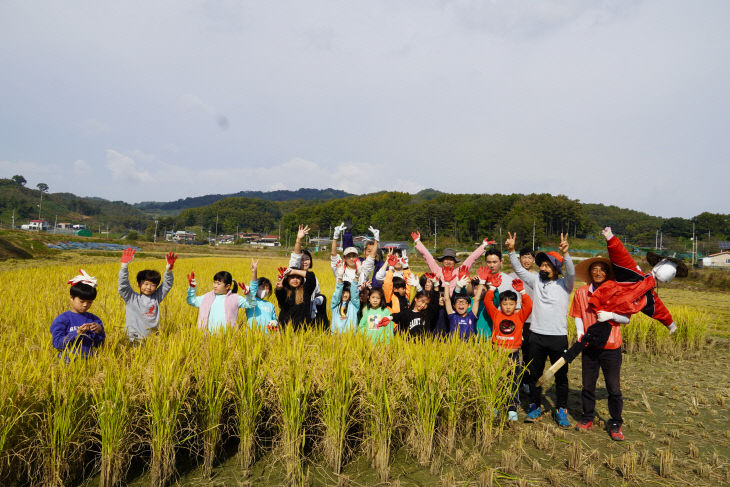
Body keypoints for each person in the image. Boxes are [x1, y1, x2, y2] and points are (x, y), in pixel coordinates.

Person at [506, 231, 575, 428]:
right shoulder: (536, 281)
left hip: (558, 338)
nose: (543, 267)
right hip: (536, 336)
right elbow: (519, 270)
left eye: (547, 265)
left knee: (561, 376)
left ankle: (562, 409)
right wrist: (511, 251)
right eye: (542, 264)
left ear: (556, 268)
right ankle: (535, 406)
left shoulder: (565, 285)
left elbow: (571, 272)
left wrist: (567, 254)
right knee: (534, 374)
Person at [571, 254, 629, 441]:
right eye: (594, 269)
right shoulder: (581, 292)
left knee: (613, 388)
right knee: (588, 385)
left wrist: (611, 314)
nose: (598, 272)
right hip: (589, 345)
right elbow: (578, 314)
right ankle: (587, 417)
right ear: (589, 273)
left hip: (611, 347)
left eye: (602, 269)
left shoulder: (617, 292)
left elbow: (626, 319)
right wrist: (580, 332)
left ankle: (615, 422)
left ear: (608, 273)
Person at [481, 276, 533, 421]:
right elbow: (487, 301)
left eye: (511, 304)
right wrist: (491, 288)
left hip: (514, 356)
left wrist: (522, 291)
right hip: (497, 355)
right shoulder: (496, 315)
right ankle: (495, 406)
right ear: (501, 305)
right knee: (497, 380)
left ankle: (512, 408)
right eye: (505, 304)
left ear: (516, 304)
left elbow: (528, 306)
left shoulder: (519, 317)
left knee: (513, 381)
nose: (508, 307)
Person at [118, 247, 176, 342]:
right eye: (146, 284)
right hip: (133, 340)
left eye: (153, 285)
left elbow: (167, 284)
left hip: (152, 340)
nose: (149, 287)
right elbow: (123, 286)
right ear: (138, 284)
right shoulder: (131, 298)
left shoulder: (156, 298)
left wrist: (168, 271)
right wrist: (124, 267)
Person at [411, 231, 492, 296]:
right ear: (442, 261)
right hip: (439, 302)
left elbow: (471, 259)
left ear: (455, 262)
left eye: (451, 260)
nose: (448, 262)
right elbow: (427, 256)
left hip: (455, 303)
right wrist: (417, 241)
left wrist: (483, 246)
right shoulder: (437, 270)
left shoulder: (460, 271)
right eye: (446, 259)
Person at [51, 269, 105, 359]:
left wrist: (99, 331)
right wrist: (77, 333)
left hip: (90, 362)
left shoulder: (94, 320)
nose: (85, 305)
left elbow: (99, 344)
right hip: (66, 361)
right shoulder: (62, 319)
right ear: (71, 298)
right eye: (81, 301)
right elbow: (57, 343)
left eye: (89, 302)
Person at [187, 268, 256, 332]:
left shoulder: (235, 298)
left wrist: (248, 294)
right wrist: (192, 288)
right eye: (214, 282)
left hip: (227, 339)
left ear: (227, 286)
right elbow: (191, 301)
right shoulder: (207, 297)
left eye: (218, 284)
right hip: (206, 337)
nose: (215, 285)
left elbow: (251, 304)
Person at [288, 225, 327, 329]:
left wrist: (318, 300)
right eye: (302, 259)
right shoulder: (294, 274)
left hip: (309, 315)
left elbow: (317, 293)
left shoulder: (313, 278)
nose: (304, 261)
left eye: (307, 259)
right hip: (294, 315)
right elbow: (295, 256)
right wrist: (299, 239)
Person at [508, 248, 537, 390]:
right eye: (524, 257)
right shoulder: (511, 276)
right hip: (513, 321)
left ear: (534, 260)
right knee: (512, 353)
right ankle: (511, 380)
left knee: (529, 352)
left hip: (531, 321)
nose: (527, 260)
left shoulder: (538, 277)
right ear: (519, 259)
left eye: (530, 257)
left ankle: (525, 381)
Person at [331, 222, 377, 286]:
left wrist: (376, 240)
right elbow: (333, 254)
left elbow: (372, 256)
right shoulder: (340, 268)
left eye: (354, 256)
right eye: (348, 256)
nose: (351, 258)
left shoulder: (362, 269)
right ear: (344, 258)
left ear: (357, 256)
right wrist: (335, 237)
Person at [275, 266, 317, 331]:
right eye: (292, 277)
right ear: (287, 279)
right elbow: (279, 295)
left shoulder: (306, 290)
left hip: (303, 330)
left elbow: (311, 277)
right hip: (285, 330)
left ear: (302, 279)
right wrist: (279, 288)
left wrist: (293, 271)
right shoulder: (284, 291)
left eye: (298, 277)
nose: (295, 279)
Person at [245, 260, 278, 332]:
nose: (265, 290)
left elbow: (274, 319)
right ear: (257, 287)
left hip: (268, 336)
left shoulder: (270, 305)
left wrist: (275, 322)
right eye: (262, 287)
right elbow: (253, 287)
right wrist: (254, 272)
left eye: (267, 288)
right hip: (252, 335)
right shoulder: (251, 300)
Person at [331, 262, 361, 333]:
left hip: (350, 337)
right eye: (343, 292)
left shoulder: (354, 305)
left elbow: (354, 294)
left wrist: (357, 277)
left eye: (347, 292)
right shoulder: (335, 305)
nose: (344, 294)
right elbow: (337, 294)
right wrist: (340, 278)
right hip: (335, 336)